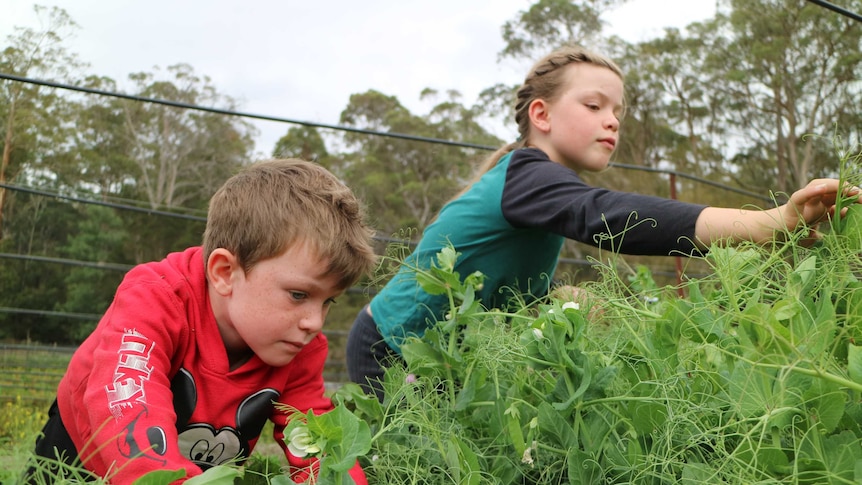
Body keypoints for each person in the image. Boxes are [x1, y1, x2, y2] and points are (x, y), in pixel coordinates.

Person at [346, 44, 860, 402]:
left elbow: (507, 289)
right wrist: (768, 223)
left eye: (618, 109)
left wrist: (562, 302)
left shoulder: (541, 187)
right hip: (393, 348)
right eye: (594, 105)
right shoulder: (528, 176)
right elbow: (607, 217)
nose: (612, 119)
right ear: (542, 115)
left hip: (448, 353)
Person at [26, 159, 377, 484]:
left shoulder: (300, 349)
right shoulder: (154, 299)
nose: (315, 322)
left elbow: (320, 448)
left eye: (328, 301)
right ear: (225, 273)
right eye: (299, 295)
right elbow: (127, 410)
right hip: (78, 461)